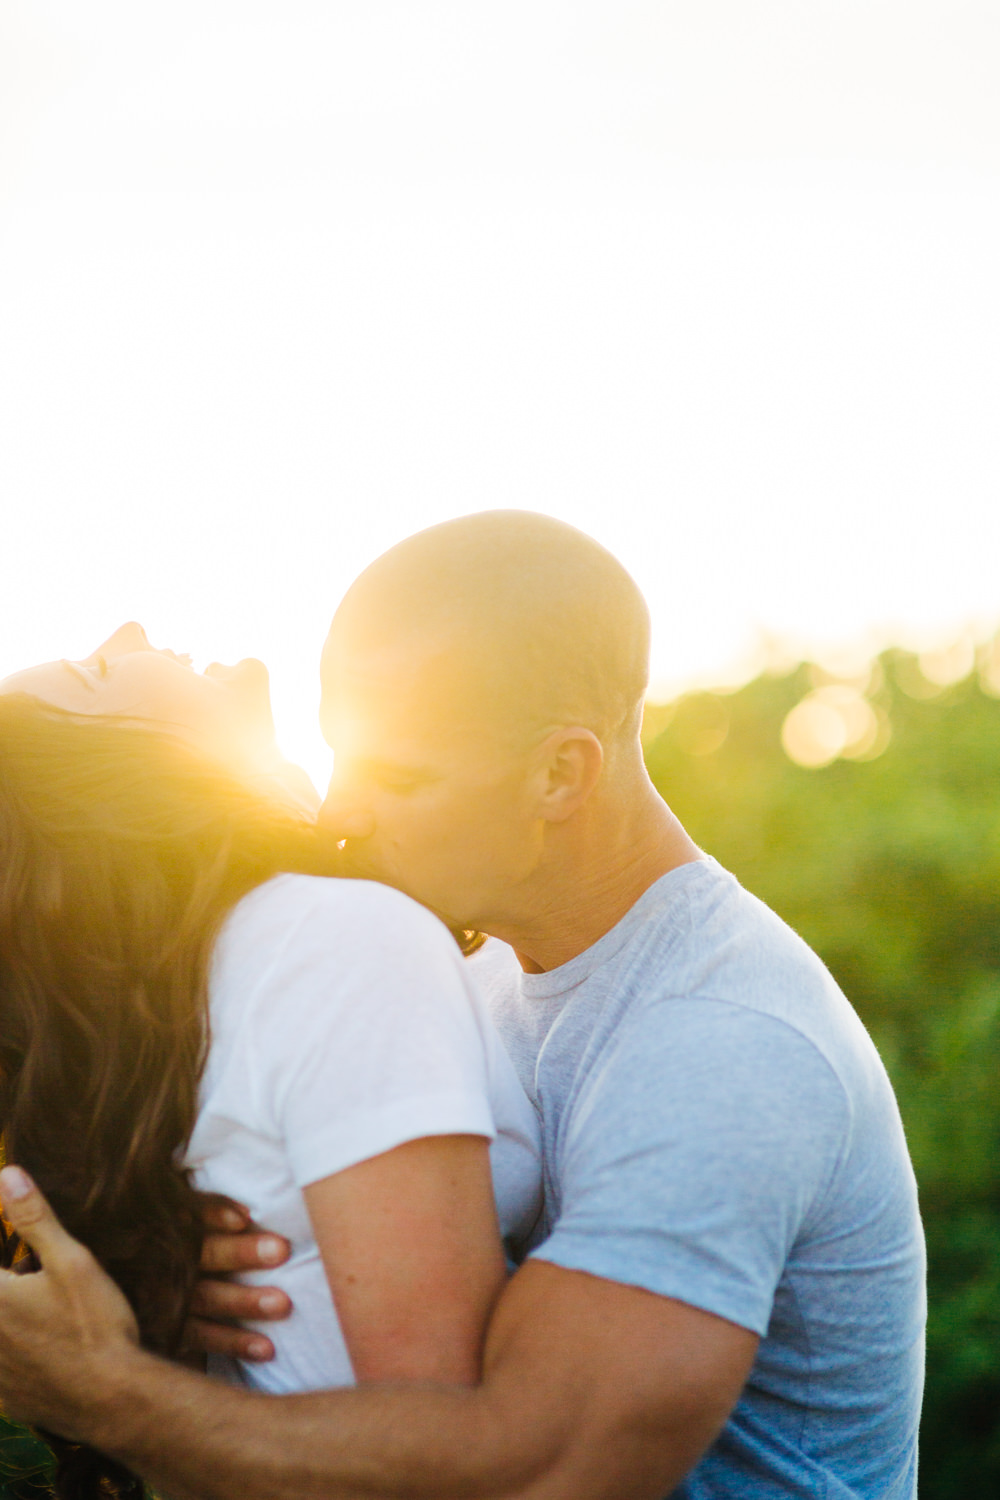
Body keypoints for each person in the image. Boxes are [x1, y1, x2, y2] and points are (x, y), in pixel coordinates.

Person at [0, 511, 925, 1499]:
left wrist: (111, 1394)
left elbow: (539, 1472)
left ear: (559, 774)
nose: (339, 808)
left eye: (397, 776)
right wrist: (177, 1265)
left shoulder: (723, 1042)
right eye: (339, 753)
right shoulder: (466, 979)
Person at [0, 625, 541, 1496]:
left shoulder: (178, 1004)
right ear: (123, 783)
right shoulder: (330, 940)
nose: (130, 632)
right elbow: (447, 1457)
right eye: (96, 670)